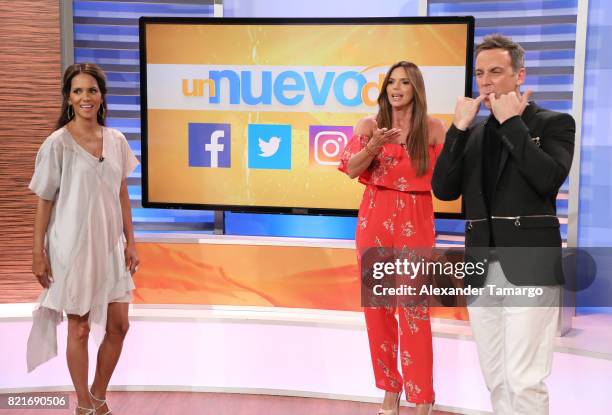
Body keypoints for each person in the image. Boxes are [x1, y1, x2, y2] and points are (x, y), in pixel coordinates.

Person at [432, 34, 575, 414]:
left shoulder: (555, 123)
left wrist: (512, 123)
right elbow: (443, 189)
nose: (486, 81)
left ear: (519, 75)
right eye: (480, 73)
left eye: (496, 71)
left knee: (524, 378)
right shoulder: (474, 133)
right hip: (481, 266)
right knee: (495, 375)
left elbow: (548, 179)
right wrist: (457, 131)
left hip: (530, 267)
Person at [27, 63, 140, 415]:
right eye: (77, 91)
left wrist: (130, 242)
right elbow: (44, 200)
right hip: (71, 249)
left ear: (101, 95)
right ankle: (85, 405)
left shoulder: (117, 140)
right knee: (78, 327)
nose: (85, 97)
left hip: (109, 248)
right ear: (68, 98)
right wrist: (38, 253)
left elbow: (122, 194)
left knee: (119, 325)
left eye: (91, 90)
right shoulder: (57, 144)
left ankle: (97, 395)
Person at [339, 61, 445, 415]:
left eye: (404, 83)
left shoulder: (433, 129)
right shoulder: (369, 125)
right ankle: (389, 391)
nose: (396, 89)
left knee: (413, 310)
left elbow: (447, 182)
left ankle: (422, 397)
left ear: (416, 88)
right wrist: (373, 147)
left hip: (416, 218)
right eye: (391, 83)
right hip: (375, 218)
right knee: (379, 312)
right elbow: (350, 169)